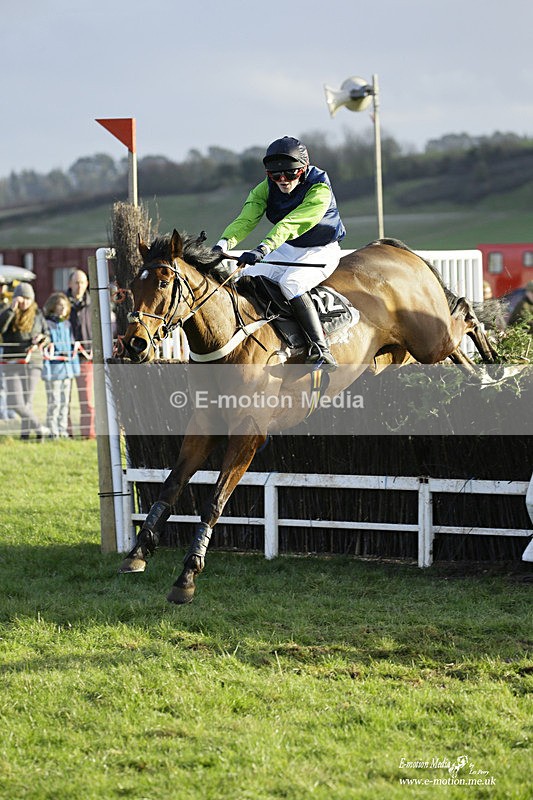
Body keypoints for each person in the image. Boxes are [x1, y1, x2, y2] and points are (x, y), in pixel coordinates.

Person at [213, 136, 346, 368]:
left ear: (303, 169)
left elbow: (291, 224)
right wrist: (222, 245)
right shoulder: (265, 189)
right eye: (275, 175)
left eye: (290, 174)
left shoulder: (319, 189)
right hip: (287, 248)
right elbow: (246, 219)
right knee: (246, 278)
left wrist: (263, 248)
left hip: (321, 250)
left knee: (291, 284)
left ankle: (321, 349)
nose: (282, 180)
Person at [0, 282, 50, 439]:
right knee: (16, 402)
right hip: (12, 362)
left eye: (28, 299)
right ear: (16, 298)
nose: (25, 303)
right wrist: (11, 310)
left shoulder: (38, 314)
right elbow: (1, 330)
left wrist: (43, 339)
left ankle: (25, 436)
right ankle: (40, 427)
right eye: (22, 298)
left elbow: (47, 335)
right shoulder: (7, 311)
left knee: (27, 401)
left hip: (33, 362)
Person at [42, 292, 80, 438]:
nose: (63, 308)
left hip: (67, 369)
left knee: (65, 402)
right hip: (54, 369)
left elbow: (72, 347)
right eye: (59, 305)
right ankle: (52, 430)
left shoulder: (67, 324)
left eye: (65, 305)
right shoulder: (47, 324)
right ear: (53, 306)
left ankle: (62, 429)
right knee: (54, 401)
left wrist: (74, 368)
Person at [66, 269, 95, 438]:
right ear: (69, 284)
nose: (79, 286)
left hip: (86, 357)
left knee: (87, 400)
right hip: (66, 357)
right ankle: (67, 432)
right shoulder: (61, 302)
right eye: (76, 282)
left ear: (87, 284)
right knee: (65, 399)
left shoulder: (94, 303)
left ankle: (88, 433)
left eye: (82, 282)